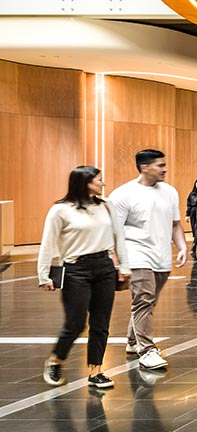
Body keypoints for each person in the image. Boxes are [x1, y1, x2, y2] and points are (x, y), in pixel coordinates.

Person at [36, 166, 130, 389]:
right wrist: (43, 274)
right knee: (76, 323)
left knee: (101, 322)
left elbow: (119, 237)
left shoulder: (107, 205)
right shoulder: (60, 210)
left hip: (105, 267)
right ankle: (55, 360)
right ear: (86, 182)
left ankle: (96, 371)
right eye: (99, 180)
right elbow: (47, 243)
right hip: (76, 269)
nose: (103, 183)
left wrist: (124, 266)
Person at [108, 149, 186, 371]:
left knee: (148, 302)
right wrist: (117, 263)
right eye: (160, 165)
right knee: (143, 299)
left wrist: (182, 246)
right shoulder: (123, 195)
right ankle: (147, 350)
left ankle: (133, 342)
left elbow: (175, 224)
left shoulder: (170, 192)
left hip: (161, 256)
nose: (165, 169)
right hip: (135, 255)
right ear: (145, 167)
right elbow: (114, 231)